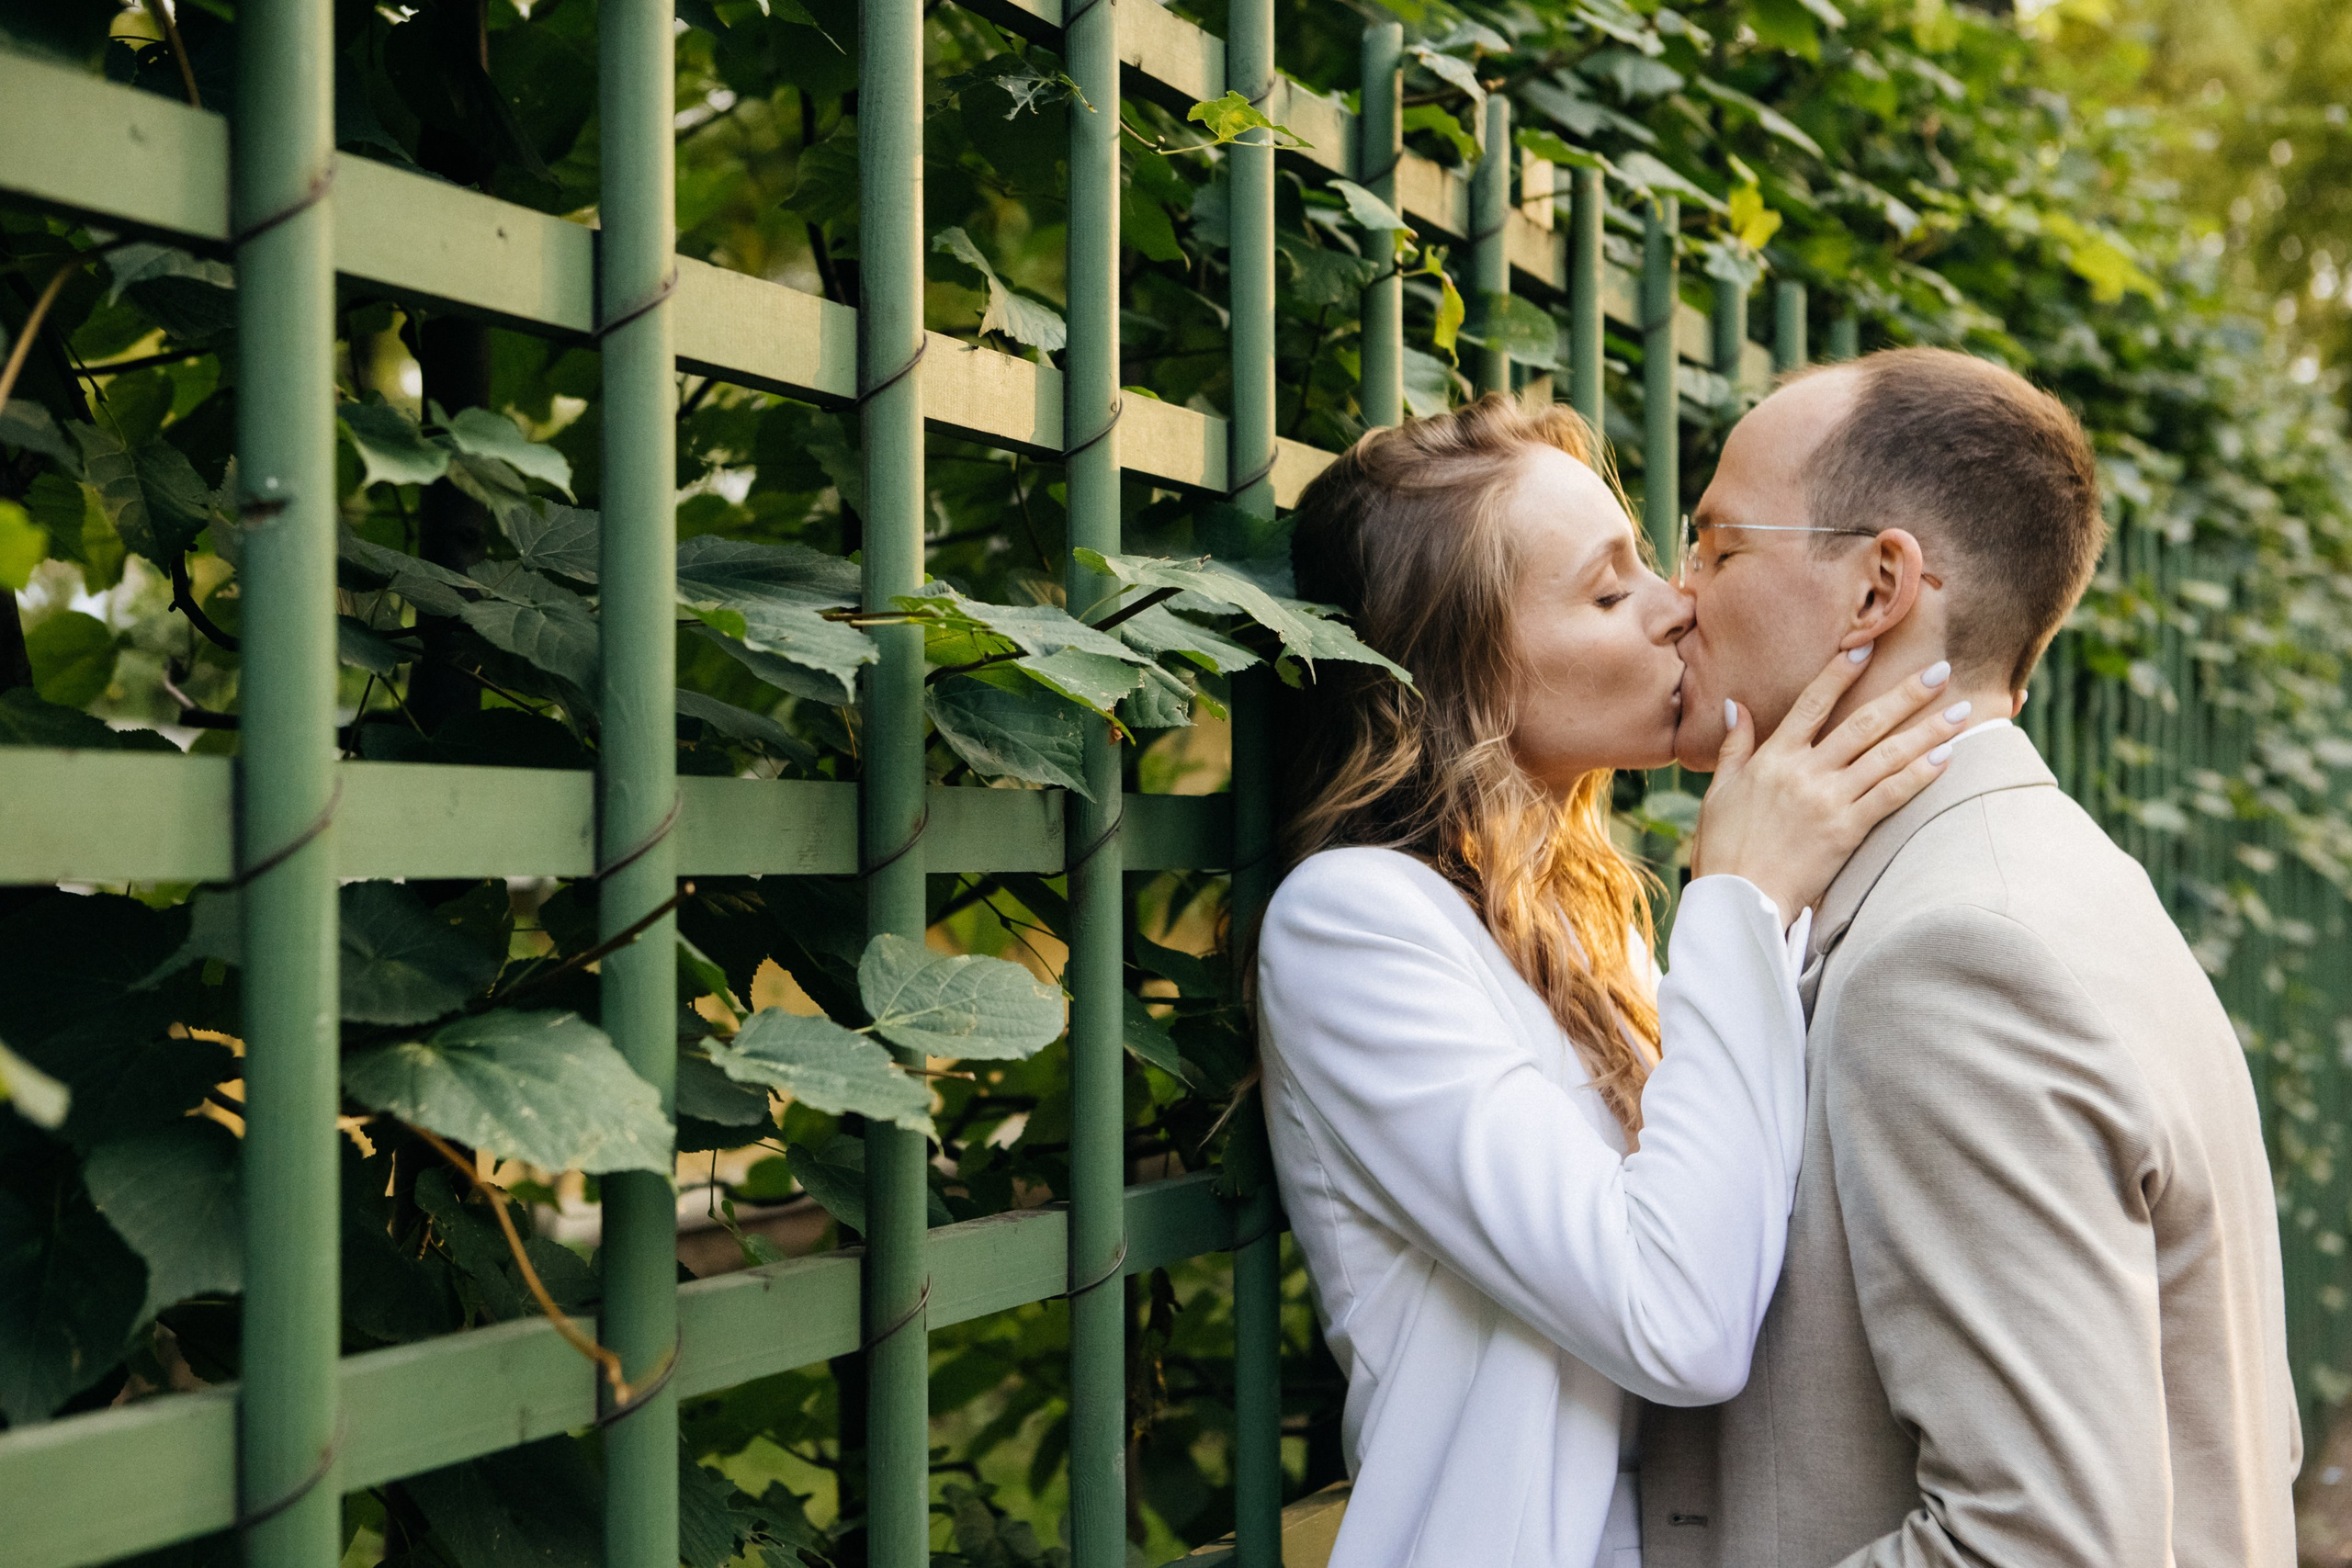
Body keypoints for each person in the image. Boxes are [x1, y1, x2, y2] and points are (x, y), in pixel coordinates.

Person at [1253, 396, 1973, 1568]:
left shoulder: (1590, 920)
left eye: (1652, 565)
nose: (1677, 603)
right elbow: (1678, 1321)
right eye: (1606, 592)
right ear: (1463, 677)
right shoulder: (1355, 928)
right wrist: (1741, 901)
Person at [1645, 346, 2301, 1566]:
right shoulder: (2070, 881)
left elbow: (2041, 1543)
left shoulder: (1949, 954)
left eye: (1719, 545)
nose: (1676, 594)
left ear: (1877, 584)